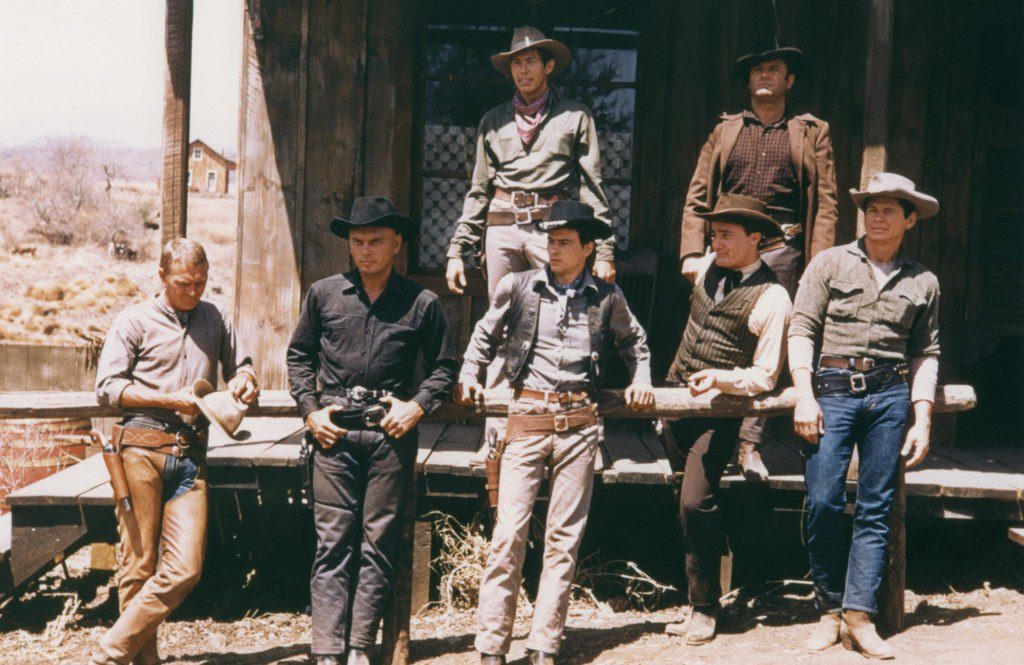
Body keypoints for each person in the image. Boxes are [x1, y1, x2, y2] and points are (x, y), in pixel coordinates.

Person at [455, 201, 654, 664]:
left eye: (565, 242)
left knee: (563, 540)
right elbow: (484, 335)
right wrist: (469, 373)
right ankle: (491, 647)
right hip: (527, 417)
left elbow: (634, 341)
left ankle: (544, 644)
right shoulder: (519, 285)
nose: (554, 250)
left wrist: (641, 378)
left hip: (580, 424)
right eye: (550, 241)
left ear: (588, 248)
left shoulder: (607, 296)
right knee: (509, 534)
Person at [286, 197, 458, 665]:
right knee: (332, 543)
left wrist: (417, 406)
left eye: (376, 241)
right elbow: (299, 357)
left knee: (377, 545)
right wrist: (311, 412)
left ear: (396, 244)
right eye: (358, 241)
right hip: (333, 434)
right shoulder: (324, 294)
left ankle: (360, 648)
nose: (365, 250)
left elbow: (445, 366)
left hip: (389, 435)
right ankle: (327, 652)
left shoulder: (421, 303)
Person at [789, 173, 941, 659]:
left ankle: (859, 616)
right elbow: (801, 329)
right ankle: (828, 610)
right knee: (824, 500)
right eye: (871, 209)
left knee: (876, 507)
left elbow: (926, 352)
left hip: (890, 396)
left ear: (909, 220)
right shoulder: (829, 262)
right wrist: (804, 395)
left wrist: (922, 417)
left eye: (889, 210)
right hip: (832, 391)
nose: (877, 218)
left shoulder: (923, 281)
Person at [91, 238, 258, 665]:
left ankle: (111, 650)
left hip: (190, 455)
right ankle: (142, 660)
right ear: (162, 276)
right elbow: (108, 388)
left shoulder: (216, 318)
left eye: (200, 282)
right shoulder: (133, 321)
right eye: (184, 283)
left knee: (186, 569)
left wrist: (245, 379)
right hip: (140, 449)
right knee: (138, 564)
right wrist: (169, 400)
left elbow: (242, 365)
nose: (193, 291)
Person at [679, 42, 838, 480]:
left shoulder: (811, 132)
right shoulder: (725, 130)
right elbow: (697, 195)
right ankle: (694, 430)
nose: (764, 75)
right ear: (748, 82)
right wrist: (693, 252)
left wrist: (818, 264)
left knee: (773, 342)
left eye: (774, 69)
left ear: (789, 80)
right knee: (716, 333)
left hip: (783, 249)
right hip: (726, 247)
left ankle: (750, 444)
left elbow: (825, 202)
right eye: (757, 70)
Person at [663, 194, 792, 645]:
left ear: (755, 239)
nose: (716, 242)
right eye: (713, 234)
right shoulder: (706, 268)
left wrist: (721, 379)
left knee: (696, 501)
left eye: (726, 235)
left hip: (719, 415)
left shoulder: (773, 297)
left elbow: (765, 375)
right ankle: (696, 599)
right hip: (676, 403)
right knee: (684, 501)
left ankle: (705, 608)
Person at [445, 25, 617, 301]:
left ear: (548, 66)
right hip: (502, 224)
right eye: (516, 63)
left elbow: (591, 186)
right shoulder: (493, 121)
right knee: (502, 309)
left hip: (551, 226)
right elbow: (479, 190)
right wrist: (457, 250)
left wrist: (605, 250)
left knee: (559, 306)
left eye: (530, 61)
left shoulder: (576, 116)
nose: (523, 70)